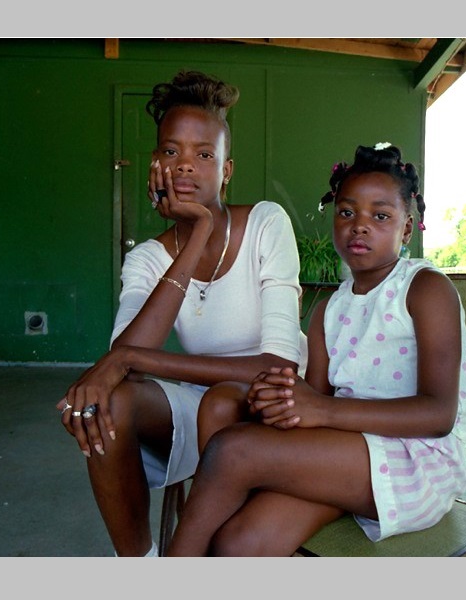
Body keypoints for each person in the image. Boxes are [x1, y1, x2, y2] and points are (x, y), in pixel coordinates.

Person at [165, 142, 466, 557]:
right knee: (239, 541)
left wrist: (320, 411)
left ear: (406, 227)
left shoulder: (425, 289)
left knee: (233, 449)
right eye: (347, 212)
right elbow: (314, 400)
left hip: (414, 461)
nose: (359, 226)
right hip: (344, 451)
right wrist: (279, 400)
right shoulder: (329, 309)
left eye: (380, 216)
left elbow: (438, 416)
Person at [56, 69, 307, 557]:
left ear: (227, 169)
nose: (185, 166)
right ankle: (140, 564)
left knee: (155, 387)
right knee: (111, 403)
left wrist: (126, 361)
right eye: (171, 152)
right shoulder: (147, 258)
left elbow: (277, 367)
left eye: (204, 154)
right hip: (203, 400)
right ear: (155, 164)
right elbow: (127, 360)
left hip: (271, 400)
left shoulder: (265, 224)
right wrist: (193, 237)